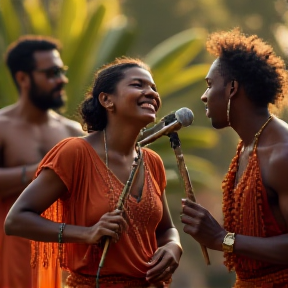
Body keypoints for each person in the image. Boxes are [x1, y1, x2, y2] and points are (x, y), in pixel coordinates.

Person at [4, 56, 183, 288]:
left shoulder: (152, 162)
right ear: (107, 100)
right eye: (138, 85)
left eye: (153, 88)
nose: (151, 93)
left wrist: (173, 246)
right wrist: (86, 233)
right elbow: (16, 219)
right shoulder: (75, 152)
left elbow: (166, 229)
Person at [180, 28, 288, 287]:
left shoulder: (282, 153)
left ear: (231, 88)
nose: (204, 96)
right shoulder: (246, 148)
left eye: (209, 85)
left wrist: (222, 239)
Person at [0, 35, 85, 288]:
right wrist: (48, 173)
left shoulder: (73, 132)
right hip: (10, 250)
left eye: (61, 71)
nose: (62, 80)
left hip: (61, 253)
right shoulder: (2, 127)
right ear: (23, 78)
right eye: (51, 73)